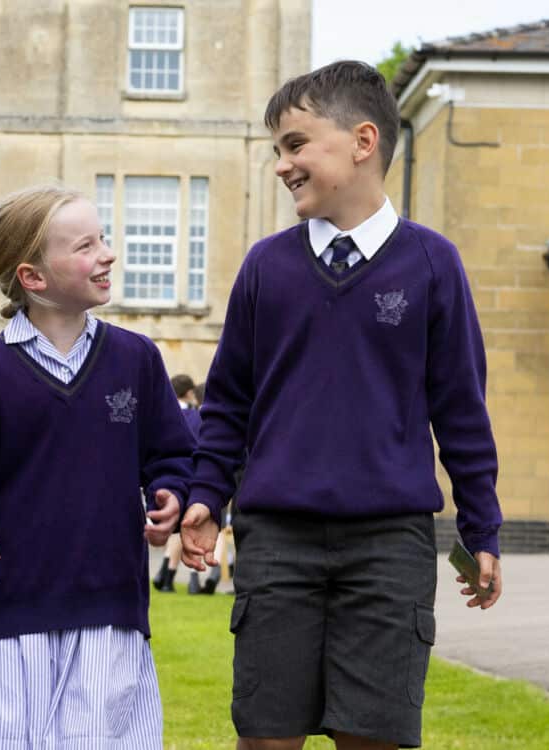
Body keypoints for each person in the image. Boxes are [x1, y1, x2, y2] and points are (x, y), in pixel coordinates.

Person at [179, 60, 505, 750]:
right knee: (266, 737)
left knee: (373, 738)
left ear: (363, 142)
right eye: (277, 151)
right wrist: (207, 493)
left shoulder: (432, 264)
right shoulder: (266, 268)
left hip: (391, 544)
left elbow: (462, 411)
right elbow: (229, 400)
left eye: (296, 145)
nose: (281, 165)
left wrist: (481, 529)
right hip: (277, 542)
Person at [0, 185, 190, 748]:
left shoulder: (137, 359)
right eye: (86, 245)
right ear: (33, 277)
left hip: (111, 608)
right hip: (11, 614)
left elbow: (172, 453)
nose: (107, 253)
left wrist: (171, 490)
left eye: (103, 238)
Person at [154, 375, 204, 594]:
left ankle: (165, 574)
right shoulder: (195, 416)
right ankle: (192, 579)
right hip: (195, 476)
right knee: (190, 528)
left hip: (170, 481)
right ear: (189, 393)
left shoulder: (161, 414)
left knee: (177, 529)